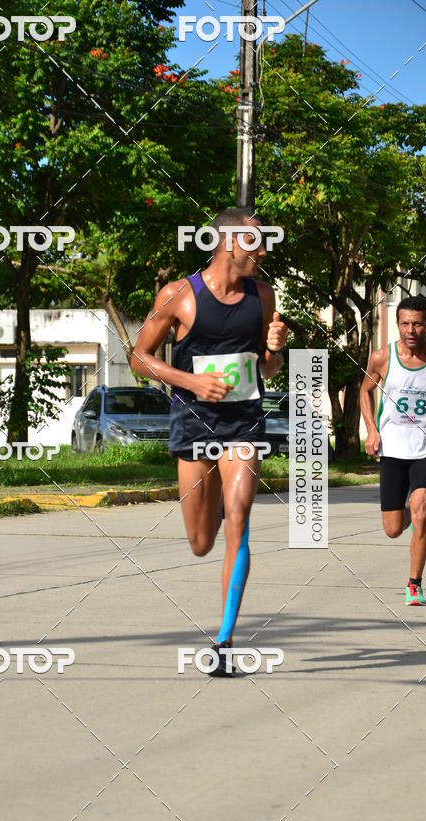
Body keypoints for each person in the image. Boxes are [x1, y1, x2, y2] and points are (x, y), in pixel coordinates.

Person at [130, 208, 288, 675]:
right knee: (201, 542)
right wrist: (192, 381)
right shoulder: (178, 295)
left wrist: (275, 349)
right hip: (194, 424)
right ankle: (215, 499)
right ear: (230, 243)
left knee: (239, 519)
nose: (264, 251)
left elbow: (266, 369)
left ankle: (224, 641)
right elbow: (139, 357)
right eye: (256, 241)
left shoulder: (263, 295)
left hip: (243, 423)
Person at [360, 295, 426, 606]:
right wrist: (372, 430)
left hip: (423, 450)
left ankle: (414, 584)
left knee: (423, 512)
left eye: (418, 324)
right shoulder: (382, 357)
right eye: (405, 323)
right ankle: (410, 512)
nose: (411, 330)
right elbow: (365, 391)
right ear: (398, 324)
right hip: (393, 449)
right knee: (393, 529)